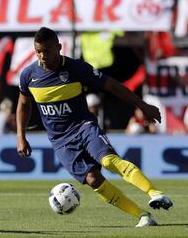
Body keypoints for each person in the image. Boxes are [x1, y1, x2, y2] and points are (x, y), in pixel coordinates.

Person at [16, 27, 173, 227]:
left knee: (108, 161)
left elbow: (113, 86)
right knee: (92, 179)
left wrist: (143, 106)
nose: (42, 55)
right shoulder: (29, 75)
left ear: (58, 47)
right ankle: (143, 216)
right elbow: (23, 104)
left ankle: (155, 193)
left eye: (47, 50)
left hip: (83, 127)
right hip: (60, 140)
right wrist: (20, 136)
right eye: (38, 51)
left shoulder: (77, 68)